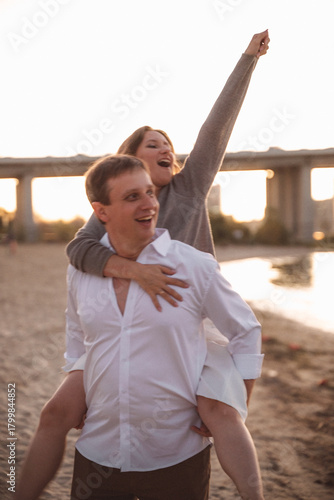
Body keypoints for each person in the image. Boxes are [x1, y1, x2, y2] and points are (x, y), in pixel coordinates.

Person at [15, 30, 269, 500]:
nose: (166, 148)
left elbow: (215, 132)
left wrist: (248, 60)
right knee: (55, 413)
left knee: (217, 410)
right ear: (131, 159)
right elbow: (79, 252)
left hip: (196, 322)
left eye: (168, 142)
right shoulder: (111, 213)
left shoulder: (190, 188)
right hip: (129, 321)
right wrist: (136, 272)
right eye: (154, 144)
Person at [70, 154, 264, 499]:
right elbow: (76, 338)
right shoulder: (82, 270)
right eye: (133, 197)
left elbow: (246, 330)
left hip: (177, 455)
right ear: (101, 212)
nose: (149, 204)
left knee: (221, 413)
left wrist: (239, 398)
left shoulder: (193, 266)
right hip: (97, 454)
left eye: (150, 193)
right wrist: (79, 386)